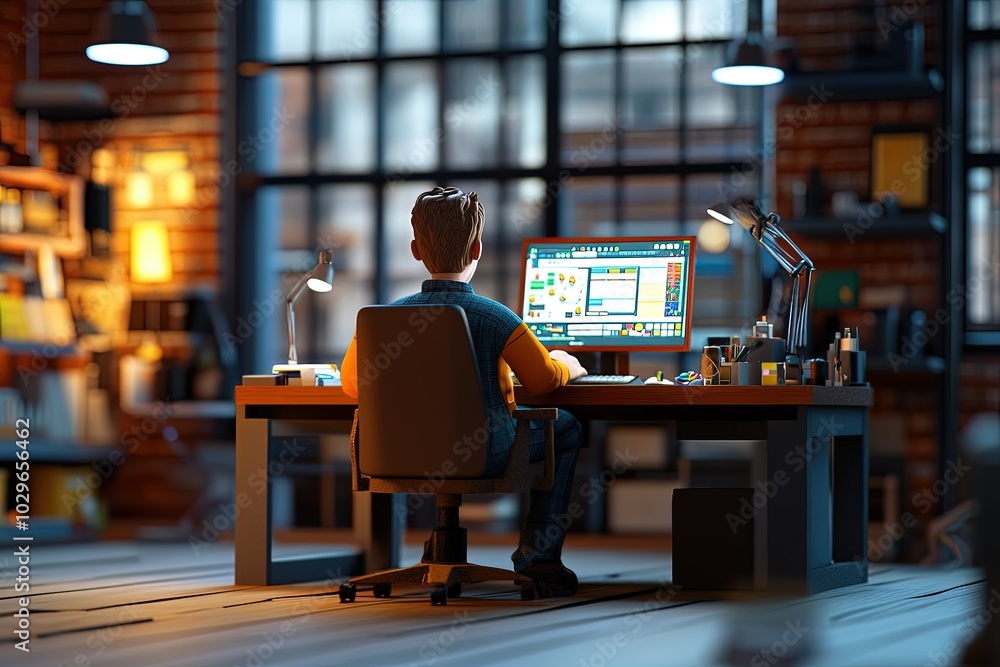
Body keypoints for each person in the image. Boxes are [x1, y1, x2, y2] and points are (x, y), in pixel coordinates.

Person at [341, 186, 587, 598]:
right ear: (477, 249)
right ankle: (538, 560)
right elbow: (543, 381)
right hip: (483, 453)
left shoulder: (380, 318)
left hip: (392, 452)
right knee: (567, 428)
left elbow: (352, 385)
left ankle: (437, 551)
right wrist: (570, 364)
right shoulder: (495, 317)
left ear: (416, 249)